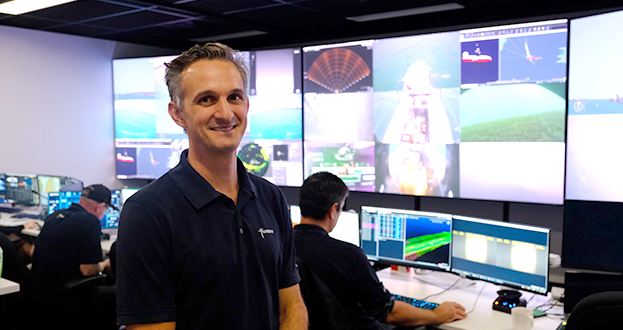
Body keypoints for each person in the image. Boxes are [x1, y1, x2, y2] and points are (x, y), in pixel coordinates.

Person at [116, 42, 307, 329]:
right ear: (178, 114)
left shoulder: (271, 198)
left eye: (234, 97)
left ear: (246, 105)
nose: (225, 113)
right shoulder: (148, 212)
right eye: (206, 99)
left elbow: (291, 306)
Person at [294, 172, 467, 329]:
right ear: (333, 210)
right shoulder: (348, 255)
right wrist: (438, 314)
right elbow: (389, 312)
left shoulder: (283, 246)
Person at [30, 184, 114, 315]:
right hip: (69, 296)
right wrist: (104, 264)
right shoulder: (90, 221)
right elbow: (88, 270)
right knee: (121, 291)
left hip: (41, 292)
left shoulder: (54, 216)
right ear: (100, 207)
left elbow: (32, 252)